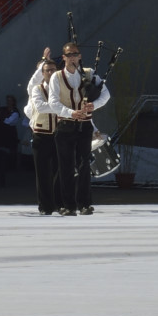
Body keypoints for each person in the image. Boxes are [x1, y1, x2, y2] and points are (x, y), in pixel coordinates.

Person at [48, 41, 110, 216]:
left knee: (84, 165)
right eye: (69, 55)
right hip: (65, 126)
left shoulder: (89, 74)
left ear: (80, 56)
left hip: (84, 126)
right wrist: (70, 112)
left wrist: (93, 105)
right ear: (64, 57)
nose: (72, 58)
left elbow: (106, 94)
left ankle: (84, 203)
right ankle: (68, 205)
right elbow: (53, 101)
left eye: (75, 54)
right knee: (66, 166)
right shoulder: (57, 77)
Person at [25, 48, 60, 215]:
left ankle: (59, 203)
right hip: (41, 133)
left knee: (60, 170)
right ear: (42, 72)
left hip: (59, 134)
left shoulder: (62, 88)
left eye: (54, 70)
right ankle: (45, 205)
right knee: (43, 172)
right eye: (47, 70)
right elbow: (40, 106)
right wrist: (62, 108)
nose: (51, 73)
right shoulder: (36, 88)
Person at [0, 95, 22, 187]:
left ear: (13, 102)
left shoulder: (15, 112)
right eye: (7, 100)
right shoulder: (3, 110)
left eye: (10, 100)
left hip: (8, 139)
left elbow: (8, 121)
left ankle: (2, 181)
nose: (8, 102)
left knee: (3, 160)